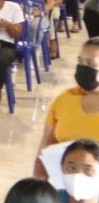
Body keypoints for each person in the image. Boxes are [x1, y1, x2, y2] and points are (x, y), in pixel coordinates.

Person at [35, 40, 99, 178]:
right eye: (80, 61)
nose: (82, 68)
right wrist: (38, 184)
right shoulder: (65, 100)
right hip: (63, 184)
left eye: (90, 63)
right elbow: (44, 152)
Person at [58, 139, 99, 203]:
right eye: (71, 167)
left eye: (88, 169)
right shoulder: (49, 202)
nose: (77, 175)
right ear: (62, 168)